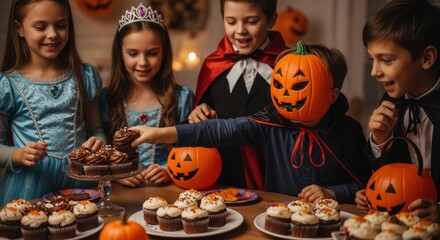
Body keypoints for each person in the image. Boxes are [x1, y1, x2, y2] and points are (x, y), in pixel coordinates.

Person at [130, 41, 372, 204]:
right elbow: (220, 130)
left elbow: (364, 187)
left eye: (299, 86)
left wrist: (331, 193)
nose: (286, 95)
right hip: (276, 220)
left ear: (332, 94)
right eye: (279, 85)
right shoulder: (268, 125)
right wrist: (158, 134)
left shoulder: (348, 132)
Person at [0, 0, 106, 205]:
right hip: (29, 188)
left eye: (60, 25)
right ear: (19, 28)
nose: (52, 34)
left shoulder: (84, 76)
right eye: (41, 27)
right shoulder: (7, 85)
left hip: (80, 185)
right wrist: (18, 154)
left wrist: (98, 140)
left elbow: (97, 129)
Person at [354, 0, 440, 221]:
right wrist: (380, 139)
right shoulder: (392, 101)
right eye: (372, 59)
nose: (374, 71)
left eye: (386, 60)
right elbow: (391, 174)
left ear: (426, 58)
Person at [188, 0, 288, 189]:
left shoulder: (289, 64)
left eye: (251, 21)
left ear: (271, 20)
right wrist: (200, 110)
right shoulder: (213, 65)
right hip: (224, 172)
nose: (240, 30)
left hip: (275, 171)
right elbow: (204, 110)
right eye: (231, 22)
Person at [101, 3, 194, 187]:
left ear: (164, 53)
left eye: (152, 53)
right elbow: (100, 152)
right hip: (122, 196)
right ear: (120, 53)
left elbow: (191, 150)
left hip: (169, 195)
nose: (142, 62)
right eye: (133, 53)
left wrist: (169, 170)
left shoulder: (181, 98)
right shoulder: (107, 99)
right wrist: (116, 172)